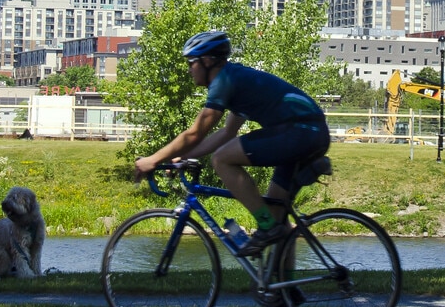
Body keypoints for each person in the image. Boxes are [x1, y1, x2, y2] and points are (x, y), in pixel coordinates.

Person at [134, 30, 330, 256]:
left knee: (221, 159)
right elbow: (226, 133)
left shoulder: (224, 81)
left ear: (207, 61)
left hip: (300, 132)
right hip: (308, 134)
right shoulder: (236, 80)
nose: (189, 69)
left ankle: (266, 227)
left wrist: (153, 159)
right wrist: (183, 156)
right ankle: (282, 277)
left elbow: (194, 133)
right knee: (279, 220)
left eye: (191, 62)